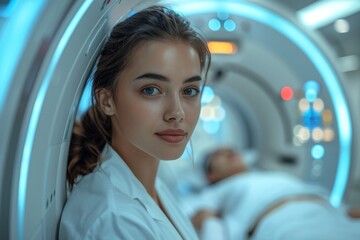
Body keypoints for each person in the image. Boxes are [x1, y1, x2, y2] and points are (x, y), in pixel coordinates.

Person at [59, 5, 211, 240]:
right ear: (107, 100)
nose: (177, 113)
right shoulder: (114, 221)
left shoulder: (153, 185)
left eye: (189, 91)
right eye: (151, 90)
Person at [181, 147, 360, 240]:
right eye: (219, 155)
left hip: (330, 214)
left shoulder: (268, 174)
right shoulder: (216, 190)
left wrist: (346, 213)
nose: (229, 152)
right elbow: (205, 218)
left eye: (230, 150)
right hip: (285, 224)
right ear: (210, 175)